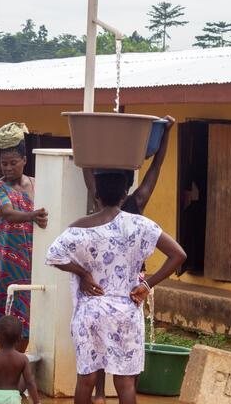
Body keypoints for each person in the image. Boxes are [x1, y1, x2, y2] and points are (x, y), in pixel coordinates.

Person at [46, 170, 186, 404]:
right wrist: (146, 285)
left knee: (86, 379)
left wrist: (83, 273)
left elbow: (53, 256)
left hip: (90, 311)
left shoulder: (78, 227)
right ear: (124, 194)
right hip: (126, 309)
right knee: (125, 383)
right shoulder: (141, 224)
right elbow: (178, 255)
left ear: (96, 195)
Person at [82, 115, 174, 403]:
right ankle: (108, 393)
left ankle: (98, 395)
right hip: (131, 292)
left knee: (93, 351)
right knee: (126, 369)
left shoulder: (95, 206)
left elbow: (85, 164)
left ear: (98, 191)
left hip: (97, 287)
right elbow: (156, 168)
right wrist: (166, 134)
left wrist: (85, 133)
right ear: (127, 187)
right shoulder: (137, 205)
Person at [0, 122, 48, 354]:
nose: (8, 168)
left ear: (24, 160)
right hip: (0, 261)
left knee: (22, 318)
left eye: (13, 163)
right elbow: (7, 213)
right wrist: (33, 215)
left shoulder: (37, 184)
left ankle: (12, 366)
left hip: (26, 264)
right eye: (4, 163)